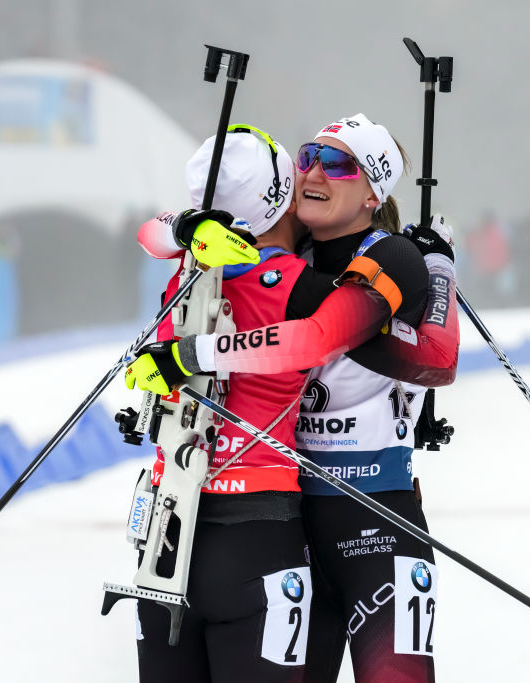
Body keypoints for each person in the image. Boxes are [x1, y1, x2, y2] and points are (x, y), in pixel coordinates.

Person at [129, 114, 459, 682]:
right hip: (295, 521)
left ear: (372, 192)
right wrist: (189, 226)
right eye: (307, 157)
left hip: (373, 514)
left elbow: (436, 359)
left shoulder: (392, 256)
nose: (313, 172)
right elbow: (157, 231)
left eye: (336, 164)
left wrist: (439, 270)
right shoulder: (286, 248)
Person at [130, 126, 314, 683]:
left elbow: (153, 231)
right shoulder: (303, 287)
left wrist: (188, 229)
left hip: (165, 536)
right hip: (259, 535)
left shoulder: (182, 275)